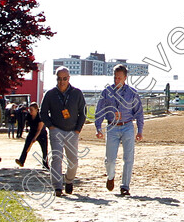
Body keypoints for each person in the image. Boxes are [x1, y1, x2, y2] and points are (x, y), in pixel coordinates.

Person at [95, 64, 144, 196]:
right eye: (115, 78)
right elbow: (100, 110)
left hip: (127, 126)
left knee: (128, 158)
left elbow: (139, 112)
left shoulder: (132, 93)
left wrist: (140, 130)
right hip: (112, 126)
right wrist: (98, 127)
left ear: (125, 78)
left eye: (119, 78)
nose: (117, 81)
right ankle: (110, 176)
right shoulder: (106, 92)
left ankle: (125, 186)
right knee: (110, 159)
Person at [40, 68, 87, 196]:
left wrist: (78, 130)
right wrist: (50, 127)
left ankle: (69, 180)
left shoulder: (77, 93)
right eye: (59, 79)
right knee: (56, 158)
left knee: (73, 161)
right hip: (56, 131)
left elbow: (83, 112)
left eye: (64, 79)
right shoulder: (50, 94)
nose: (62, 82)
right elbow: (42, 112)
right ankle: (57, 187)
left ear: (69, 78)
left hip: (72, 131)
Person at [16, 102, 49, 170]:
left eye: (32, 110)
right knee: (26, 146)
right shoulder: (28, 115)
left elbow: (39, 129)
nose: (30, 111)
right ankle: (21, 161)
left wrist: (35, 138)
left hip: (41, 134)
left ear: (36, 109)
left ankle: (45, 164)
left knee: (44, 150)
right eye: (29, 109)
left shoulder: (40, 117)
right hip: (32, 132)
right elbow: (24, 124)